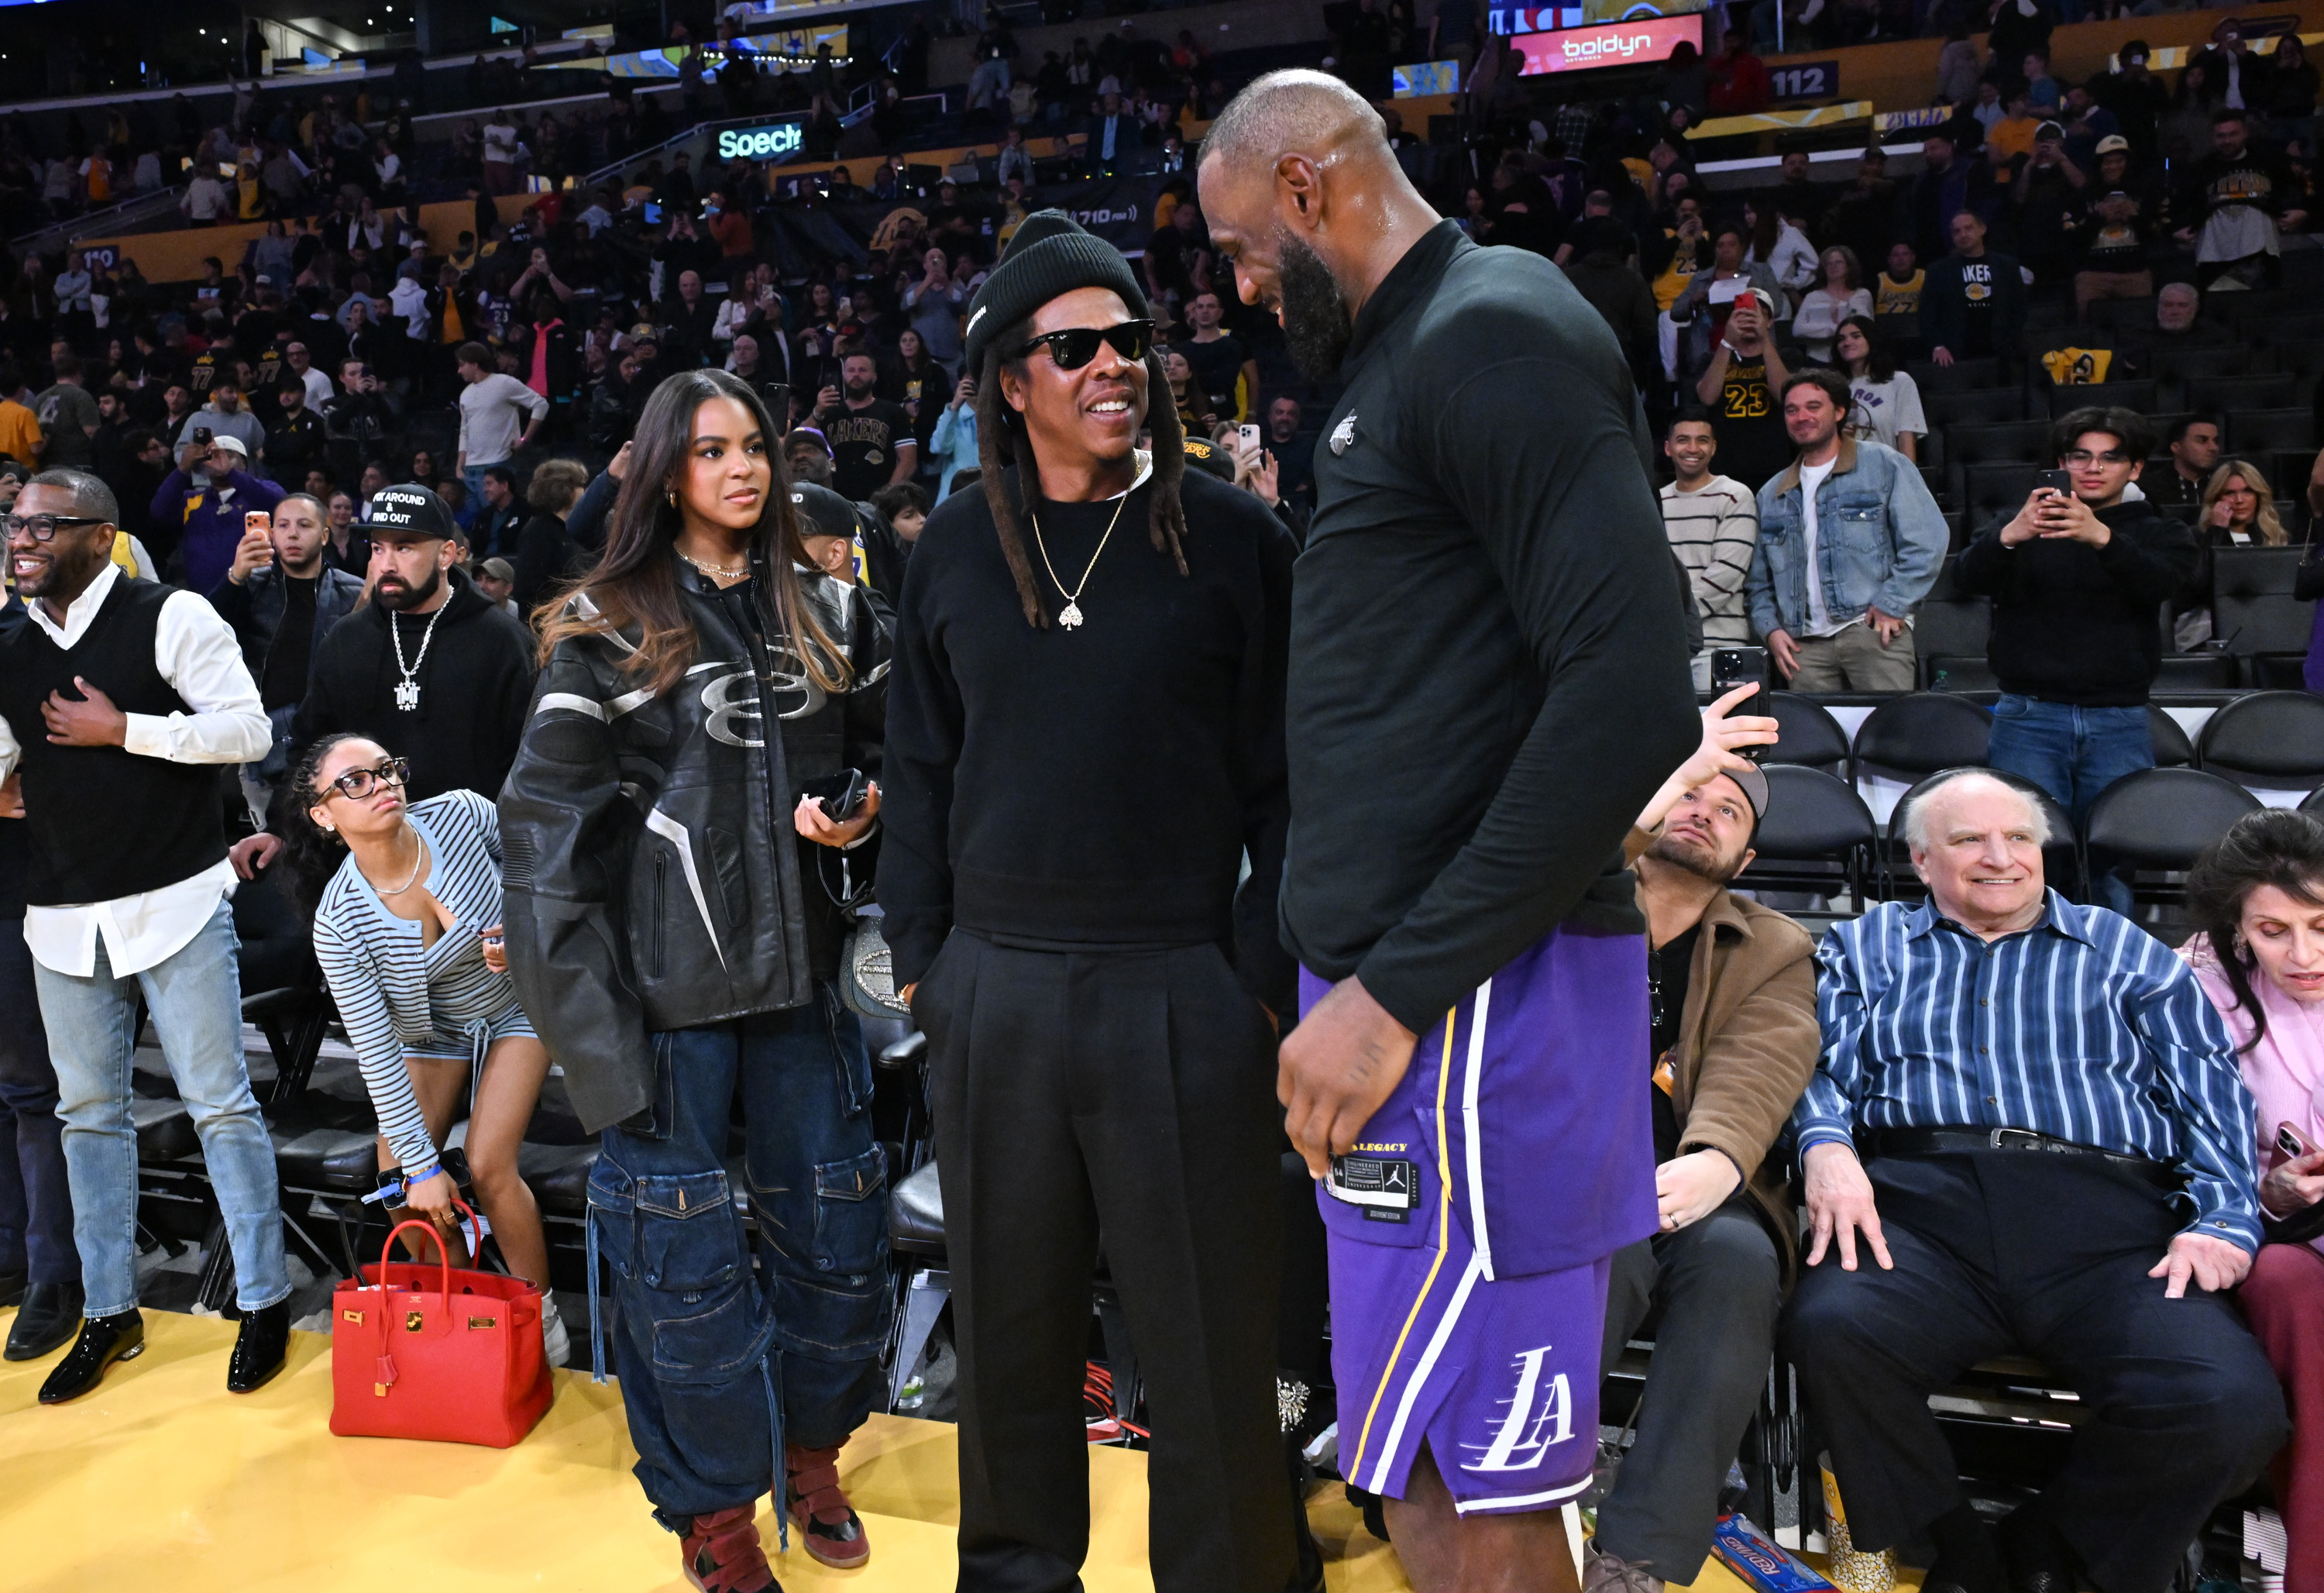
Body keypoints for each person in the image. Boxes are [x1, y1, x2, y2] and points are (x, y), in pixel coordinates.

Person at [1199, 71, 1700, 1593]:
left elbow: (1629, 699)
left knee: (1492, 1492)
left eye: (1236, 250)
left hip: (1475, 1008)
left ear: (1305, 190)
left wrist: (1395, 991)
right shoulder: (1397, 362)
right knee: (1410, 1454)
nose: (1235, 291)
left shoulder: (1494, 329)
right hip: (1401, 1002)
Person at [882, 208, 1303, 1593]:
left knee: (1207, 1336)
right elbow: (921, 772)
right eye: (1078, 346)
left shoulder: (1237, 540)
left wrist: (1248, 977)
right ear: (1013, 377)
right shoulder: (946, 549)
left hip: (1180, 978)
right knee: (1011, 1330)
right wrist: (929, 961)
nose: (1116, 364)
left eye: (1132, 339)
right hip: (994, 985)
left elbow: (1291, 787)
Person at [502, 368, 892, 1591]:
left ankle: (813, 1454)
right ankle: (714, 1516)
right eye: (713, 449)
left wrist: (863, 823)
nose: (742, 469)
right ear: (665, 470)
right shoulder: (599, 623)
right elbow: (544, 849)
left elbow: (897, 771)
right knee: (683, 1281)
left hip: (804, 994)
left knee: (838, 1240)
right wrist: (595, 1051)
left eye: (757, 447)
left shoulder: (835, 607)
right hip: (659, 1012)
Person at [1782, 768, 2283, 1593]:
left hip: (2113, 1226)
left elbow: (2212, 1097)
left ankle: (2047, 1551)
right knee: (1833, 1330)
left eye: (2019, 838)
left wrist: (2224, 1219)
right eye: (1969, 839)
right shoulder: (1864, 946)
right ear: (1920, 859)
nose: (2000, 858)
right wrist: (1826, 1145)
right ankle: (1954, 1555)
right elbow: (1812, 1063)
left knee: (2229, 1403)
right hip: (1921, 1209)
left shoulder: (2126, 951)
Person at [0, 468, 291, 1402]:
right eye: (14, 525)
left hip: (176, 898)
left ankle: (264, 1299)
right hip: (62, 914)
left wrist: (128, 730)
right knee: (87, 1117)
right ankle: (110, 1308)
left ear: (99, 533)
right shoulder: (9, 646)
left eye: (43, 525)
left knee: (220, 1104)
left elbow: (247, 731)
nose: (21, 539)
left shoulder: (172, 615)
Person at [1587, 693, 1817, 1593]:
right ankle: (1501, 1490)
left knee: (1734, 1258)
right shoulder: (1572, 886)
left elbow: (1768, 1054)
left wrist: (1719, 1156)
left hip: (1681, 1181)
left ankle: (1639, 1555)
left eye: (1728, 811)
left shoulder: (1774, 943)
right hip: (1546, 1167)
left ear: (1745, 858)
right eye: (1690, 790)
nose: (1702, 811)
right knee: (1608, 1255)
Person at [284, 737, 566, 1367]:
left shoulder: (461, 814)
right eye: (354, 781)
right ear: (323, 815)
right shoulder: (340, 921)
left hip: (516, 1004)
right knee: (399, 1177)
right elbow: (377, 1051)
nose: (381, 784)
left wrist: (518, 931)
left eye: (385, 770)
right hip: (431, 1033)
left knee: (488, 1162)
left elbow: (541, 868)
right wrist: (419, 1167)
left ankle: (537, 1316)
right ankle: (461, 1302)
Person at [232, 484, 537, 883]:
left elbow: (529, 761)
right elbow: (311, 748)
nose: (386, 564)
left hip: (480, 861)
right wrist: (277, 828)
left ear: (446, 554)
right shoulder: (347, 639)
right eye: (378, 549)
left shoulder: (503, 641)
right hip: (365, 865)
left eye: (404, 548)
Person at [1956, 408, 2197, 911]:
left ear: (2133, 469)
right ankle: (2031, 967)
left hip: (2119, 718)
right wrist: (2009, 536)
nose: (2093, 468)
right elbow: (1966, 579)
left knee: (2113, 856)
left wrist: (2102, 538)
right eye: (2081, 456)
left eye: (2110, 458)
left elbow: (2165, 583)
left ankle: (2108, 972)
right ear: (2062, 463)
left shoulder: (2159, 530)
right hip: (2029, 716)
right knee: (2024, 854)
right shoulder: (2024, 525)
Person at [2181, 810, 2324, 1593]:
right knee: (2291, 1287)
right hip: (2265, 1239)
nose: (2303, 955)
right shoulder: (2196, 993)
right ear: (2238, 929)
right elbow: (2185, 1158)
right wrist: (2268, 1193)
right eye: (2274, 931)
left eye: (2323, 925)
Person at [1747, 370, 1947, 693]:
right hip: (1802, 647)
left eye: (1814, 406)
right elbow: (1758, 580)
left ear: (1839, 412)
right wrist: (1771, 630)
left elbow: (1927, 542)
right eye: (1792, 410)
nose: (1802, 417)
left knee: (1887, 737)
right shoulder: (1771, 493)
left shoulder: (1883, 464)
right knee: (1816, 743)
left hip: (1871, 631)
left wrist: (1892, 604)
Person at [0, 587, 77, 1364]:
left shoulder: (31, 643)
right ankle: (12, 1254)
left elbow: (43, 754)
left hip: (24, 892)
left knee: (32, 1092)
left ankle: (53, 1273)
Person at [209, 492, 366, 781]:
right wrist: (234, 577)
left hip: (329, 741)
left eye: (304, 525)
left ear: (324, 535)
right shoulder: (249, 584)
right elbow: (207, 636)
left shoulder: (355, 592)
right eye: (283, 526)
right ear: (270, 533)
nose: (292, 534)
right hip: (261, 737)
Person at [1660, 411, 1758, 691]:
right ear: (1668, 448)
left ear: (1713, 447)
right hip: (1666, 649)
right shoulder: (1655, 500)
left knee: (1721, 732)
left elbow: (1728, 573)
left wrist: (1670, 620)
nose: (1692, 449)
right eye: (1683, 440)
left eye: (1702, 440)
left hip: (1719, 646)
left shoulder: (1735, 495)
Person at [2175, 107, 2305, 289]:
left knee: (2264, 305)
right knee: (2216, 306)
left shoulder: (2269, 160)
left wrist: (2300, 209)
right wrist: (2183, 226)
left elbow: (2298, 183)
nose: (2227, 141)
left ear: (2245, 133)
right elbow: (2183, 202)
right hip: (2214, 250)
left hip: (2261, 249)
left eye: (2233, 134)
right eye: (2221, 136)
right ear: (2213, 138)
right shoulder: (2202, 169)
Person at [150, 432, 285, 598]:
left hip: (256, 597)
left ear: (244, 462)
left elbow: (279, 506)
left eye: (228, 455)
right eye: (212, 456)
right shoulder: (193, 500)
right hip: (205, 598)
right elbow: (159, 512)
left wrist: (230, 472)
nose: (219, 460)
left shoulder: (265, 488)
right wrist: (183, 470)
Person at [1694, 286, 1791, 492]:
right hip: (1725, 466)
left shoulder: (1785, 358)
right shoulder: (1715, 358)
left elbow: (1784, 395)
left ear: (1770, 321)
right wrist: (1727, 341)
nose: (1748, 320)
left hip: (1773, 465)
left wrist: (1765, 339)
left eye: (1757, 314)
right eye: (1742, 314)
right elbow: (1707, 397)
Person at [1923, 212, 2026, 367]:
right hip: (1955, 352)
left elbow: (2019, 307)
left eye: (1968, 228)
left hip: (2001, 350)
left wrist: (2010, 340)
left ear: (1982, 229)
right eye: (1957, 231)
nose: (1963, 235)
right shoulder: (1938, 271)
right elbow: (1927, 313)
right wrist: (1938, 346)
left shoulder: (2007, 266)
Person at [454, 342, 548, 507]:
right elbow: (464, 431)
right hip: (470, 470)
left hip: (498, 463)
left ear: (475, 364)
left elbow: (540, 405)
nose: (459, 371)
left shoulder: (504, 383)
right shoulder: (465, 394)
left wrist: (524, 439)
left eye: (462, 365)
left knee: (497, 521)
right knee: (476, 525)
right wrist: (460, 465)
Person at [816, 352, 916, 502]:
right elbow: (799, 439)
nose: (856, 375)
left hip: (879, 502)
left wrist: (886, 498)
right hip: (836, 501)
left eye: (863, 370)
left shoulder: (893, 412)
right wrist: (817, 411)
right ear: (843, 376)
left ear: (874, 377)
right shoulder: (829, 413)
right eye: (851, 370)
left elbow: (908, 461)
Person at [509, 456, 590, 618]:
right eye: (580, 485)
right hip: (548, 627)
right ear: (563, 489)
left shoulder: (573, 529)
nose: (585, 491)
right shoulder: (538, 531)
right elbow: (526, 589)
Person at [1837, 317, 1925, 463]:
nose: (1847, 343)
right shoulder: (1832, 386)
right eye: (1841, 339)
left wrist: (1909, 480)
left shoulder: (1899, 381)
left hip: (1885, 469)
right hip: (1842, 472)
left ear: (1871, 340)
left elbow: (1906, 437)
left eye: (1856, 336)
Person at [1181, 288, 1259, 423]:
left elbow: (1226, 382)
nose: (1205, 311)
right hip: (1191, 420)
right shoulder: (1182, 349)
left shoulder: (1233, 345)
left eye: (1211, 306)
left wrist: (1251, 413)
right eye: (1200, 307)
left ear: (1220, 312)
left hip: (1228, 418)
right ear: (1195, 312)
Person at [1793, 247, 1872, 366]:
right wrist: (1834, 329)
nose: (1833, 266)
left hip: (1854, 360)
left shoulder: (1862, 295)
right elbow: (1798, 329)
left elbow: (1867, 326)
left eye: (1838, 262)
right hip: (1819, 361)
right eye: (1828, 264)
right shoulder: (1813, 297)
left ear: (1849, 266)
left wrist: (1822, 328)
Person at [2201, 457, 2293, 547]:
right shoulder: (2199, 538)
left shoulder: (2276, 536)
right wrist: (2218, 531)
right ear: (2217, 499)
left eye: (2247, 491)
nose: (2239, 500)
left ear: (2258, 496)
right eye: (2230, 493)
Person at [33, 354, 99, 473]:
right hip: (76, 466)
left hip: (45, 467)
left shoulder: (39, 398)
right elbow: (92, 432)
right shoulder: (81, 396)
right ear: (79, 373)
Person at [2147, 414, 2224, 515]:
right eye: (2202, 440)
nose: (2214, 448)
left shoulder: (2224, 484)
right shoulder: (2150, 488)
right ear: (2176, 447)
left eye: (2215, 441)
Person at [470, 465, 524, 558]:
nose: (485, 490)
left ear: (505, 486)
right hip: (483, 565)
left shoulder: (525, 511)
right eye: (484, 485)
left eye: (489, 484)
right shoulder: (484, 515)